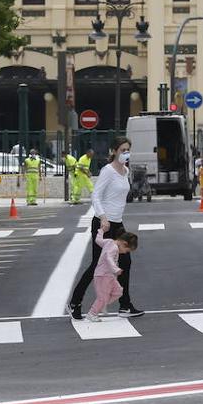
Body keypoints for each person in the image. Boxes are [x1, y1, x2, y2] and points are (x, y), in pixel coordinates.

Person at [69, 137, 143, 320]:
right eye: (123, 149)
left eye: (128, 149)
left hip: (117, 223)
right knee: (97, 265)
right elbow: (96, 195)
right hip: (103, 223)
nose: (126, 153)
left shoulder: (125, 171)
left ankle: (124, 306)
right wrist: (102, 217)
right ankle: (75, 302)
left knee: (125, 262)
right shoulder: (107, 171)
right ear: (114, 151)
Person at [86, 231, 138, 322]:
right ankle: (92, 313)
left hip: (108, 275)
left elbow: (98, 241)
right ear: (124, 243)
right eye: (127, 250)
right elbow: (108, 258)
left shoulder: (109, 241)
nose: (125, 253)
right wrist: (116, 269)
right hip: (102, 275)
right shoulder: (114, 248)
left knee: (118, 291)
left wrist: (101, 231)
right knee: (102, 297)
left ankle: (103, 305)